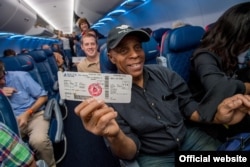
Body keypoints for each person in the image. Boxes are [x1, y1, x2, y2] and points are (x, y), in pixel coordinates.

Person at [74, 25, 250, 167]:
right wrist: (115, 136)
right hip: (153, 153)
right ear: (111, 58)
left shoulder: (164, 74)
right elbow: (129, 152)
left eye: (137, 47)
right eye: (123, 50)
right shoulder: (109, 95)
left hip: (187, 138)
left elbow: (189, 108)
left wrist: (218, 116)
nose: (134, 55)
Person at [188, 2, 250, 141]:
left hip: (233, 105)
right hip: (209, 115)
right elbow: (220, 87)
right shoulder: (203, 55)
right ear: (237, 37)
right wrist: (247, 87)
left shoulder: (232, 53)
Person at [0, 61, 56, 167]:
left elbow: (43, 97)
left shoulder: (20, 76)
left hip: (33, 116)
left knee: (39, 141)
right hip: (10, 125)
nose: (3, 81)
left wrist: (27, 113)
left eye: (3, 76)